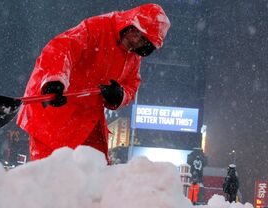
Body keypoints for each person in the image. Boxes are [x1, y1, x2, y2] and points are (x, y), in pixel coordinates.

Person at [16, 4, 171, 161]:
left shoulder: (133, 56)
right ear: (132, 26)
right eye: (142, 38)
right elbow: (62, 47)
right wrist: (55, 80)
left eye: (146, 43)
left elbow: (132, 84)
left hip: (87, 119)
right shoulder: (98, 27)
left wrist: (120, 95)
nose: (140, 44)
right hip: (53, 112)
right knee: (51, 176)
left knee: (97, 174)